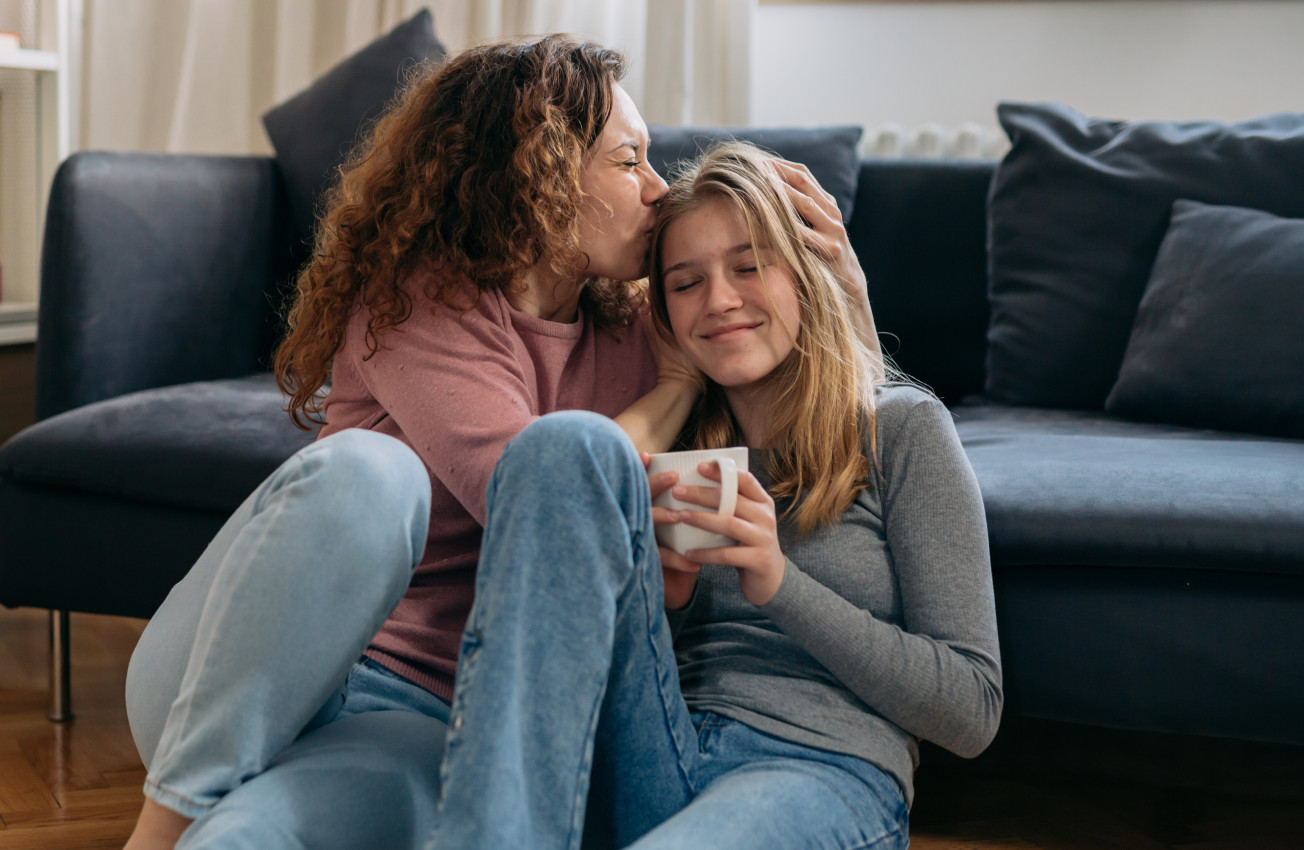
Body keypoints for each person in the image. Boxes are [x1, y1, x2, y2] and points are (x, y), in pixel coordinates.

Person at [122, 34, 876, 849]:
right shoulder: (416, 305)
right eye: (629, 163)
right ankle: (159, 825)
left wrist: (850, 292)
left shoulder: (641, 327)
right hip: (263, 674)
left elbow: (805, 399)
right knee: (371, 475)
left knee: (245, 840)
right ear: (541, 175)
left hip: (431, 716)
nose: (658, 191)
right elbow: (542, 493)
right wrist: (673, 393)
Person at [420, 141, 1002, 850]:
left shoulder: (903, 428)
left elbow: (972, 711)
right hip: (654, 754)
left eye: (750, 267)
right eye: (686, 282)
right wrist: (663, 597)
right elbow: (580, 615)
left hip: (817, 765)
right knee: (561, 447)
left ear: (805, 274)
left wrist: (779, 583)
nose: (720, 301)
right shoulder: (677, 442)